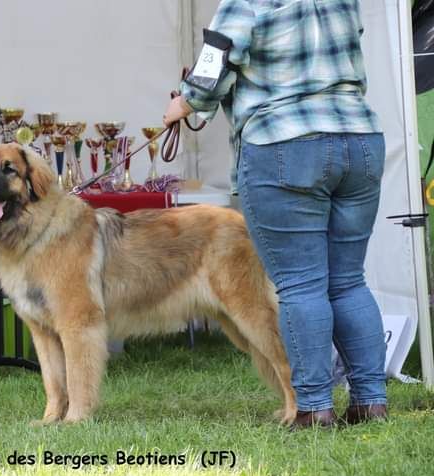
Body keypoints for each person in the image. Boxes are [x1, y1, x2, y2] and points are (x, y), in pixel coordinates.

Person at [163, 0, 387, 428]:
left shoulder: (244, 3)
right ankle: (371, 402)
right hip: (360, 138)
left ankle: (315, 408)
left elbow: (211, 70)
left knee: (301, 285)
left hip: (284, 142)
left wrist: (183, 105)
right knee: (348, 281)